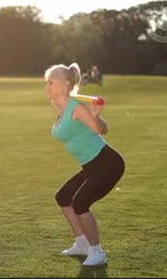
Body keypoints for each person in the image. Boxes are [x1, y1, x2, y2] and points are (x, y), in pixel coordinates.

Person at [44, 63, 125, 266]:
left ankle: (97, 252)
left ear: (64, 85)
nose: (47, 86)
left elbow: (101, 130)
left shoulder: (76, 108)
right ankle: (81, 243)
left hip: (108, 163)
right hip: (91, 167)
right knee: (63, 197)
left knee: (80, 203)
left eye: (51, 82)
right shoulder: (62, 108)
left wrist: (96, 116)